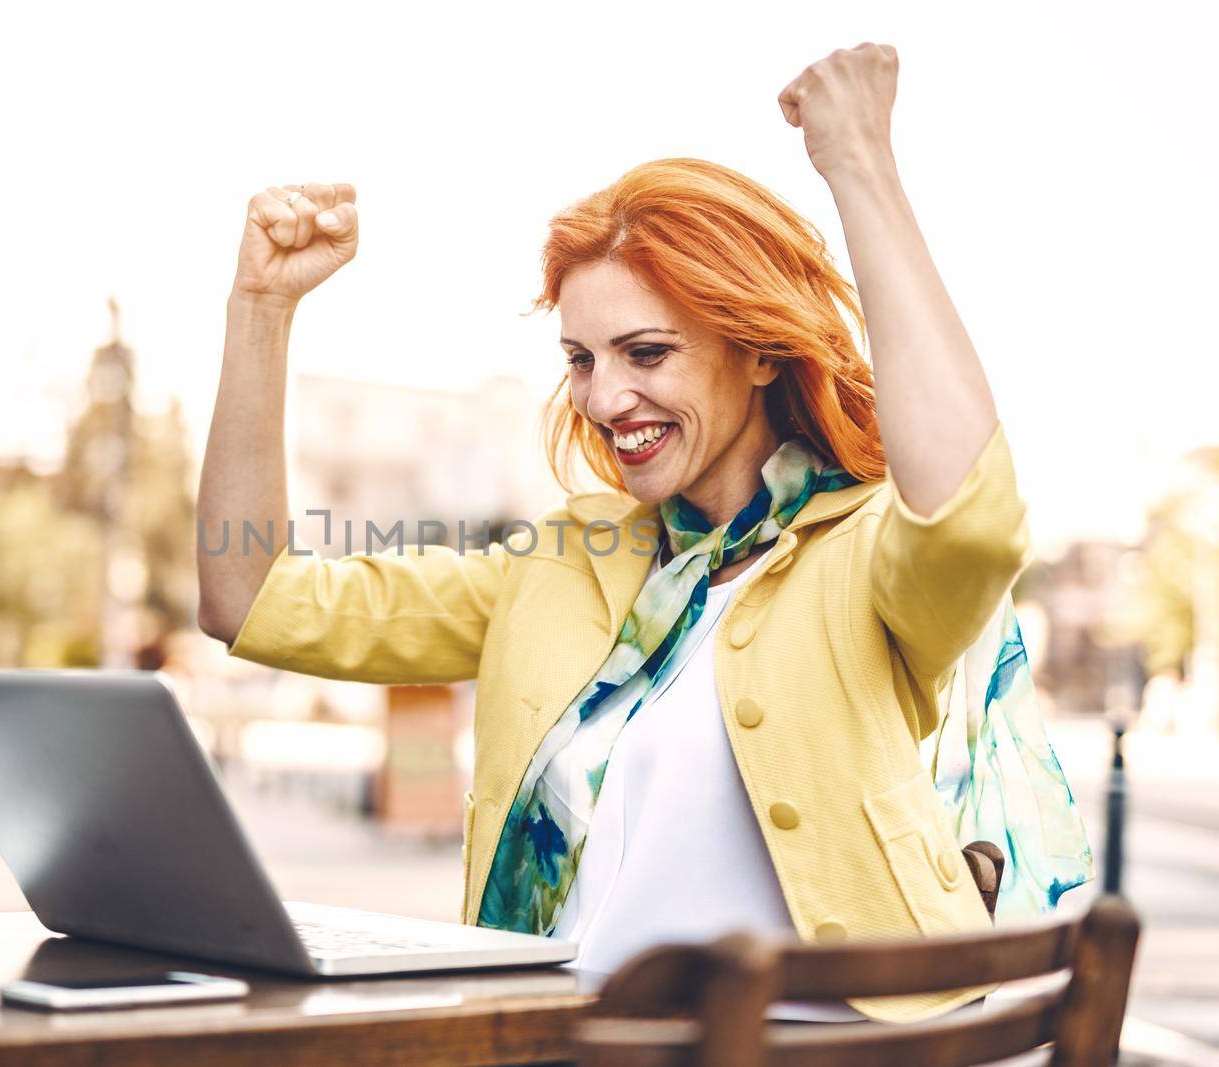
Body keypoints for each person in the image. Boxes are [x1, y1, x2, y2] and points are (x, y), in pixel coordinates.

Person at [197, 42, 1069, 1023]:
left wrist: (857, 160)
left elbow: (967, 522)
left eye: (645, 351)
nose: (606, 397)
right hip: (557, 1042)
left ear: (758, 351)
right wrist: (260, 309)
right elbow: (248, 596)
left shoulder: (866, 555)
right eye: (579, 357)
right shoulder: (563, 559)